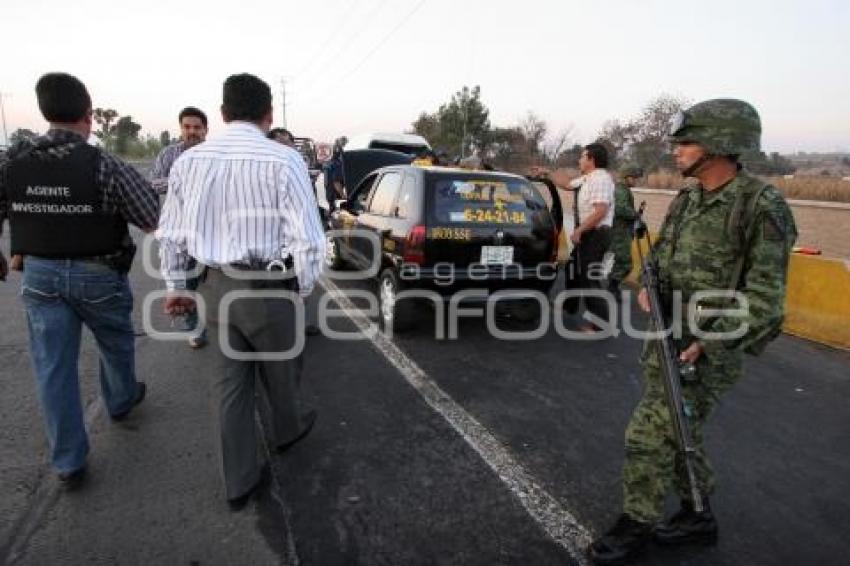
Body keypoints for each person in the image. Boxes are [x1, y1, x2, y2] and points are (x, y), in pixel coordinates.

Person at [587, 99, 797, 563]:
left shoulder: (761, 206)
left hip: (707, 351)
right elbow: (661, 254)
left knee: (648, 432)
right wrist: (647, 285)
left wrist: (709, 341)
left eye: (687, 141)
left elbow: (765, 299)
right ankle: (698, 515)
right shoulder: (688, 199)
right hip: (665, 338)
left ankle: (635, 523)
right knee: (681, 433)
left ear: (721, 145)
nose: (676, 149)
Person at [157, 73, 325, 510]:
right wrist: (302, 288)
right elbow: (308, 238)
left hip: (216, 285)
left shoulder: (188, 162)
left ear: (223, 114)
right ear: (269, 115)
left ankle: (239, 483)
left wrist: (177, 286)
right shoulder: (283, 159)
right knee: (283, 369)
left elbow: (172, 233)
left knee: (230, 387)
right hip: (271, 285)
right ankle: (288, 430)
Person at [0, 72, 157, 489]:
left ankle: (68, 462)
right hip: (99, 274)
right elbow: (150, 216)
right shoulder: (103, 163)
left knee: (53, 369)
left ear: (44, 112)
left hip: (39, 276)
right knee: (116, 343)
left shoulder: (13, 163)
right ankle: (121, 400)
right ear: (89, 116)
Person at [533, 143, 615, 332]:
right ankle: (570, 305)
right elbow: (567, 184)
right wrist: (547, 173)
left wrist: (579, 231)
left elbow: (601, 211)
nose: (579, 159)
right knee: (572, 268)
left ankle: (600, 325)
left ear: (591, 159)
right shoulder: (588, 178)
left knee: (589, 277)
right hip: (589, 232)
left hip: (596, 233)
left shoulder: (601, 179)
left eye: (582, 156)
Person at [150, 106, 209, 348]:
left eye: (197, 127)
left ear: (206, 130)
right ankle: (194, 327)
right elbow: (154, 183)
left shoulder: (213, 154)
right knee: (184, 281)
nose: (192, 131)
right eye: (187, 127)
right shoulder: (169, 154)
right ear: (181, 128)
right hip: (181, 229)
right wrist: (183, 181)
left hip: (212, 229)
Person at [267, 127, 322, 338]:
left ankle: (303, 322)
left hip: (297, 241)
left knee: (303, 283)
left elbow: (309, 206)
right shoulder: (265, 174)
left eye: (289, 143)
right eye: (280, 143)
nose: (286, 146)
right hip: (275, 245)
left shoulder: (298, 170)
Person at [608, 166, 642, 296]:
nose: (636, 181)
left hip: (621, 231)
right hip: (620, 232)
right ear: (627, 177)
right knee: (625, 263)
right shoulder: (621, 190)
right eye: (634, 178)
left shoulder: (622, 189)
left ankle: (612, 287)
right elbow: (621, 209)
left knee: (621, 261)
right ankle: (612, 287)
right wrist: (636, 215)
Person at [322, 136, 347, 209]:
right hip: (336, 198)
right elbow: (336, 183)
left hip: (330, 196)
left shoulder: (328, 163)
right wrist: (344, 196)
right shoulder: (337, 164)